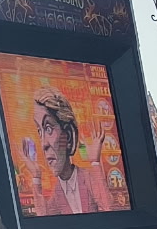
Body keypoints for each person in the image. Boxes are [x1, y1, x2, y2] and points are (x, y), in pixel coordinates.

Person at [27, 86, 116, 216]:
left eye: (48, 128)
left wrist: (95, 162)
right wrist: (36, 177)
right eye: (39, 131)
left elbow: (109, 208)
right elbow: (44, 220)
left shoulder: (87, 178)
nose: (43, 144)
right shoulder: (56, 193)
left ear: (68, 135)